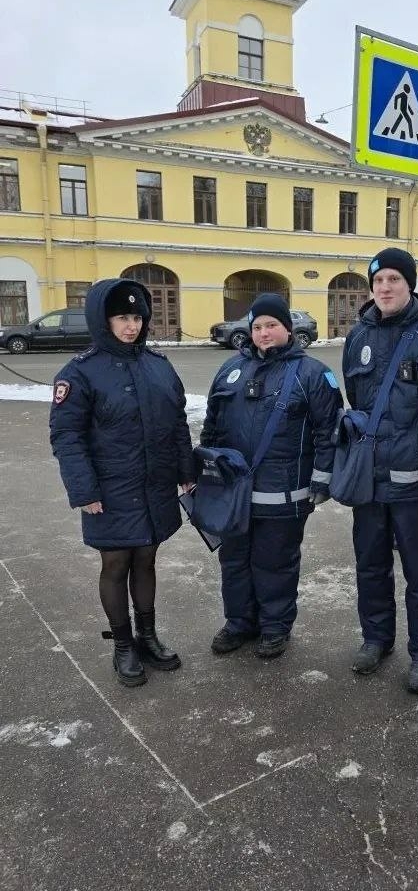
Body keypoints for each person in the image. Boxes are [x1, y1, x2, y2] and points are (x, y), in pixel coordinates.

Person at [50, 279, 194, 687]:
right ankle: (123, 645)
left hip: (154, 483)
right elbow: (66, 435)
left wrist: (186, 472)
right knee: (116, 563)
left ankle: (147, 637)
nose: (131, 325)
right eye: (121, 317)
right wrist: (85, 490)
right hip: (109, 488)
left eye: (136, 317)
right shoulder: (79, 372)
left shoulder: (158, 365)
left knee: (146, 558)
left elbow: (177, 423)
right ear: (103, 320)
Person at [341, 247, 418, 694]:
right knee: (370, 565)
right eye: (378, 281)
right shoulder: (357, 337)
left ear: (410, 284)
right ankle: (377, 639)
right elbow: (356, 399)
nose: (385, 288)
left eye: (394, 279)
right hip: (370, 481)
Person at [200, 293, 342, 660]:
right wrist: (205, 469)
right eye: (258, 326)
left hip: (284, 493)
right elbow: (212, 425)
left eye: (272, 325)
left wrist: (322, 480)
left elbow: (329, 431)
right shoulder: (231, 368)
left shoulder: (313, 373)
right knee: (234, 561)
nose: (264, 333)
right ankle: (239, 622)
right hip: (234, 494)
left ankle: (275, 626)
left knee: (274, 562)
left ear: (288, 329)